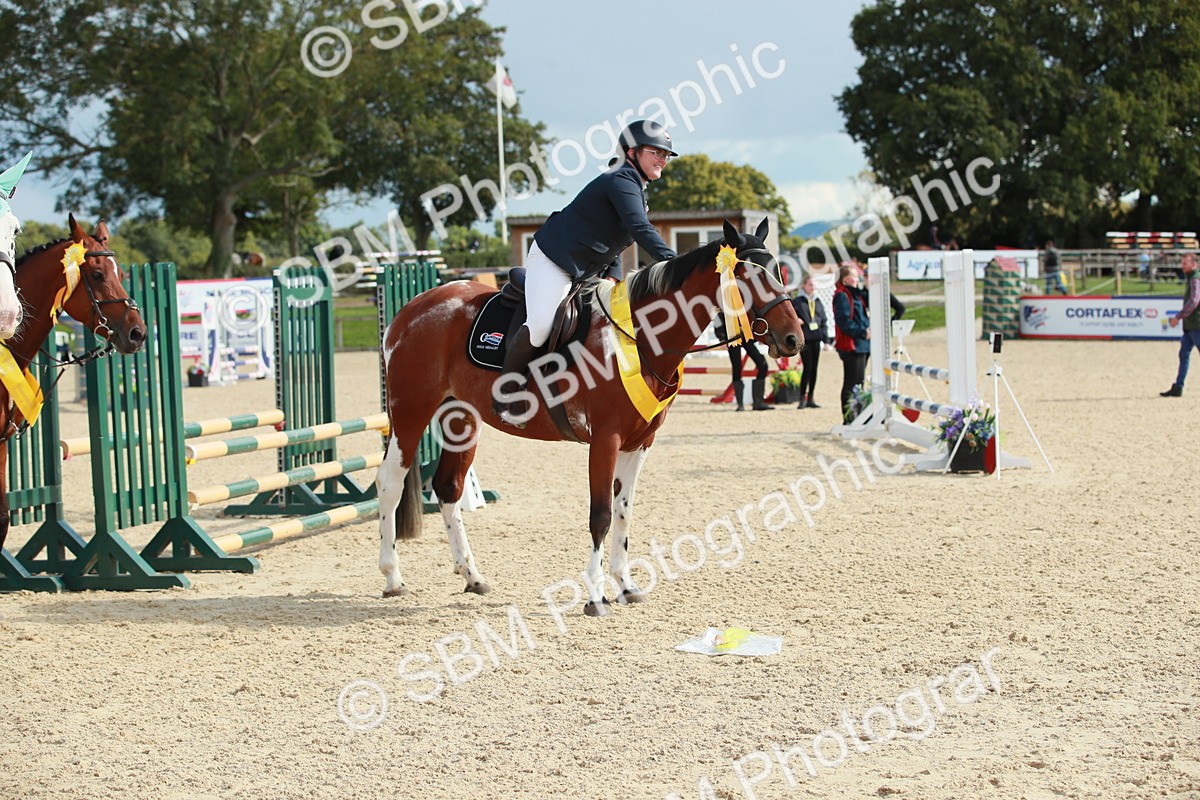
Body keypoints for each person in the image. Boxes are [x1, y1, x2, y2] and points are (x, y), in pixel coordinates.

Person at [494, 120, 679, 426]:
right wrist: (673, 263)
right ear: (632, 152)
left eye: (666, 154)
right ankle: (506, 394)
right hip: (554, 259)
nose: (662, 158)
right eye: (656, 151)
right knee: (541, 325)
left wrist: (612, 273)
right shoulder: (621, 178)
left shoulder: (635, 184)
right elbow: (639, 229)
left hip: (587, 269)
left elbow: (617, 239)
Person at [832, 262, 870, 423]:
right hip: (851, 344)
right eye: (855, 276)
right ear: (846, 280)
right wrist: (862, 331)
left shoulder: (856, 294)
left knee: (859, 382)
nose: (859, 279)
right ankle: (848, 418)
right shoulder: (842, 295)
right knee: (851, 382)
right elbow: (844, 321)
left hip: (862, 345)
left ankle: (859, 415)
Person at [714, 311, 772, 411]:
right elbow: (718, 318)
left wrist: (761, 337)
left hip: (746, 337)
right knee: (737, 368)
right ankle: (740, 404)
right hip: (731, 337)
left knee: (763, 365)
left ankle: (758, 402)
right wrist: (722, 338)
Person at [1160, 253, 1200, 397]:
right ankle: (1178, 387)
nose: (1182, 266)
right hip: (1190, 326)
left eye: (1185, 263)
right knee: (1183, 355)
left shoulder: (1195, 278)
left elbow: (1194, 301)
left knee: (1184, 355)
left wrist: (1178, 317)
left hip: (1197, 324)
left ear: (1194, 264)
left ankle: (1178, 386)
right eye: (1182, 263)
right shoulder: (1191, 278)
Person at [791, 274, 830, 408]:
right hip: (805, 339)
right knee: (807, 368)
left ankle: (811, 397)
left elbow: (824, 320)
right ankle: (802, 397)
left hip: (816, 338)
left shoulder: (818, 301)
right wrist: (797, 321)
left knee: (814, 369)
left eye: (814, 285)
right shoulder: (797, 301)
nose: (813, 287)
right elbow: (791, 317)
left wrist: (826, 340)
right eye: (810, 285)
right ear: (804, 286)